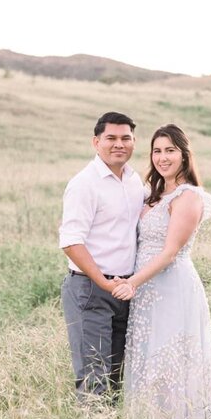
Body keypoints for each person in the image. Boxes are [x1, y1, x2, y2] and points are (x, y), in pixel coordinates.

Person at [113, 123, 211, 419]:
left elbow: (170, 251)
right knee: (147, 363)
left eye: (170, 150)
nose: (162, 157)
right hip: (146, 293)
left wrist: (131, 282)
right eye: (157, 151)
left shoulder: (189, 197)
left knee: (170, 364)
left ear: (184, 155)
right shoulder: (153, 194)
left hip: (172, 288)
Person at [58, 111, 146, 398]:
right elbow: (71, 242)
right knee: (94, 375)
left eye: (126, 138)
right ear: (96, 142)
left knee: (118, 374)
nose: (119, 144)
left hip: (126, 290)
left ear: (134, 142)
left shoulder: (134, 182)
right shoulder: (85, 183)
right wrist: (103, 282)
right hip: (91, 288)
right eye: (111, 138)